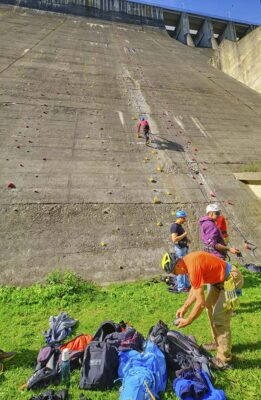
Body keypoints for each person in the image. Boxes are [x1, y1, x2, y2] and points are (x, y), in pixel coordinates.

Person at [161, 251, 244, 369]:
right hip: (218, 282)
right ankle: (217, 342)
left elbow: (200, 303)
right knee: (210, 307)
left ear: (178, 265)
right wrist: (185, 307)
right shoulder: (188, 263)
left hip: (231, 280)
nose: (177, 275)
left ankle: (224, 359)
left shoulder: (192, 266)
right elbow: (195, 289)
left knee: (220, 317)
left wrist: (188, 320)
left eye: (174, 272)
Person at [170, 211, 190, 292]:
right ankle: (181, 287)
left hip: (184, 248)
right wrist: (184, 235)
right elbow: (174, 239)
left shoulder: (179, 226)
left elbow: (180, 236)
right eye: (184, 218)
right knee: (181, 268)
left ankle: (186, 285)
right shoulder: (174, 226)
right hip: (180, 249)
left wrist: (187, 239)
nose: (185, 220)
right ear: (180, 218)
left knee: (185, 267)